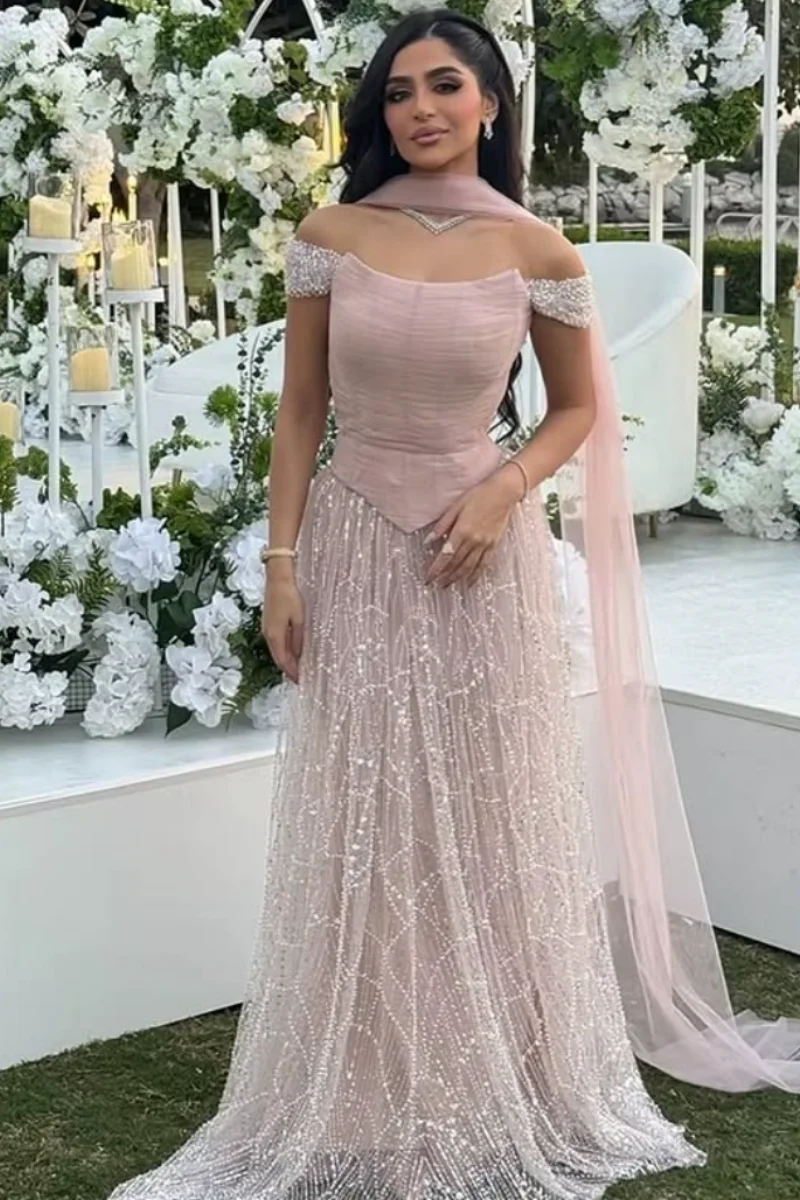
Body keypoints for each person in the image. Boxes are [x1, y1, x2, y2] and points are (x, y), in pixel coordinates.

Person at [108, 9, 800, 1200]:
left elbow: (577, 411)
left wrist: (502, 491)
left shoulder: (539, 251)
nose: (418, 109)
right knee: (364, 811)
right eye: (396, 92)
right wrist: (281, 564)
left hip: (482, 559)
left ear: (488, 103)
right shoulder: (331, 234)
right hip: (353, 548)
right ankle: (367, 1075)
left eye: (442, 86)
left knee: (487, 809)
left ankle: (496, 1068)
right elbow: (300, 411)